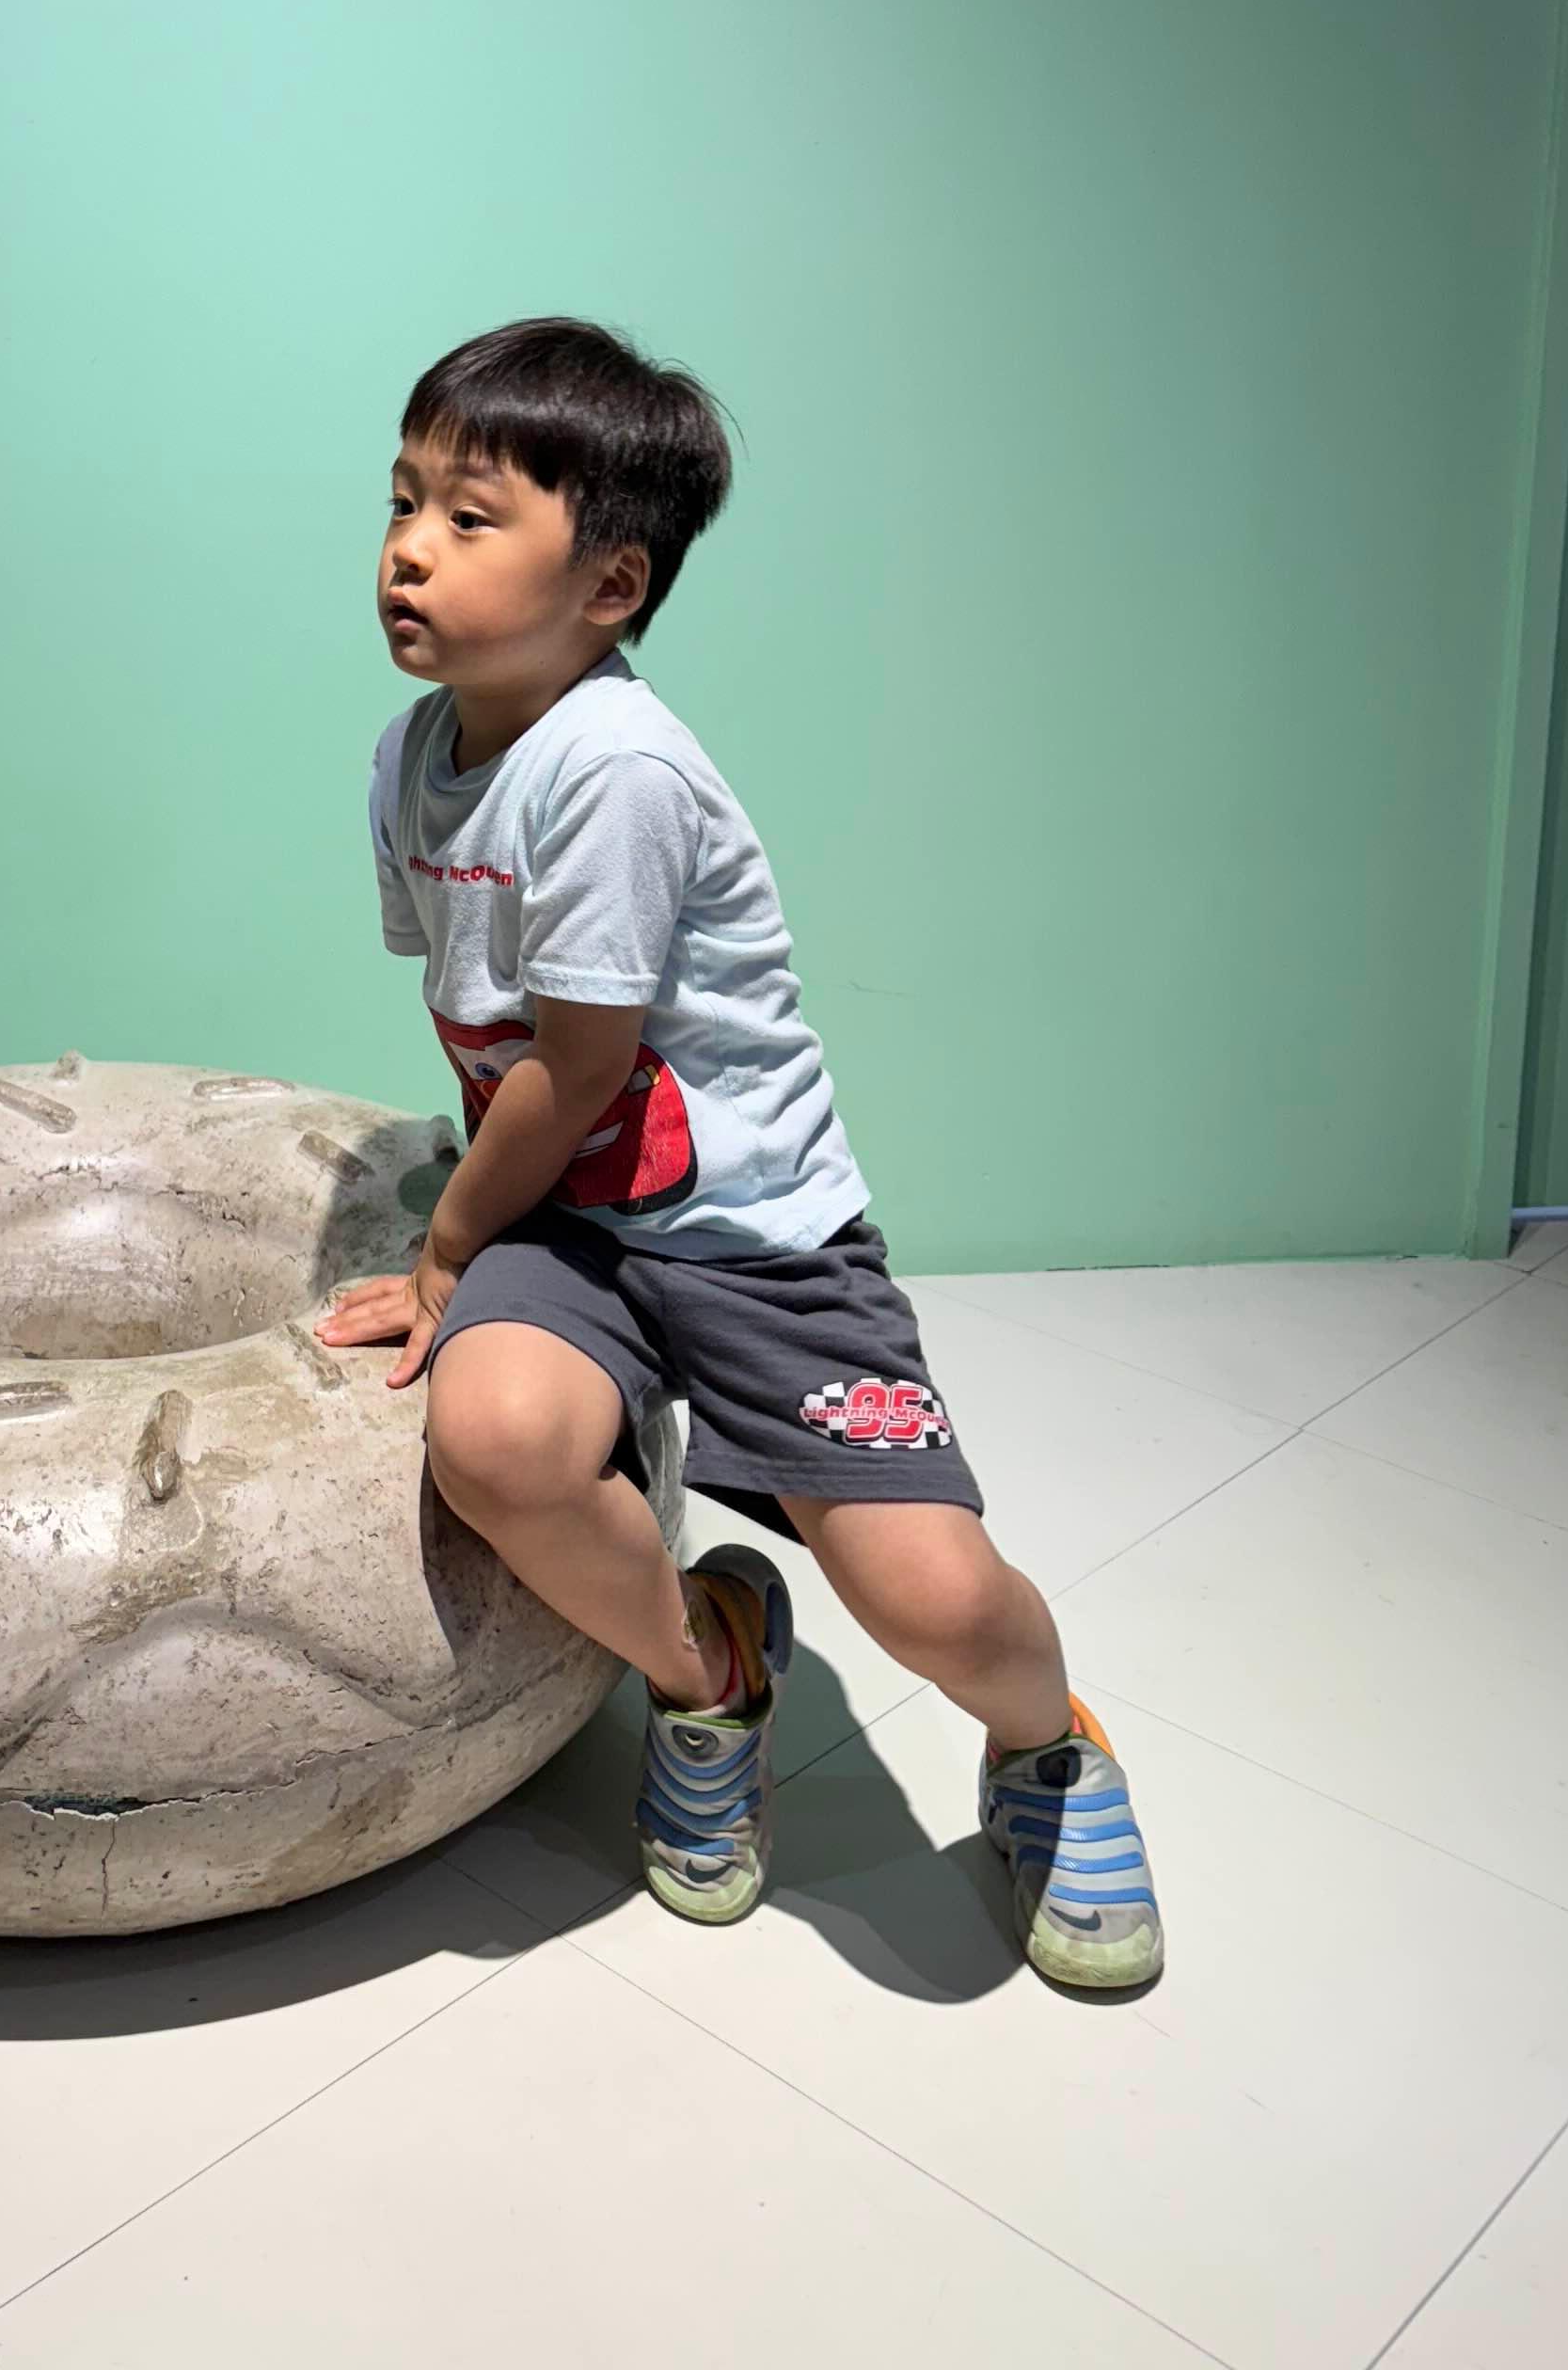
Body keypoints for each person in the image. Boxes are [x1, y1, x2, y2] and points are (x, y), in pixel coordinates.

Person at [316, 314, 1162, 1991]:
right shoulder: (412, 758)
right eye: (403, 501)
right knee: (496, 1441)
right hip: (579, 1226)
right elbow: (482, 1031)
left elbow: (576, 1068)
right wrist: (497, 1245)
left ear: (611, 584)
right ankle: (709, 1672)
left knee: (932, 1602)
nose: (409, 548)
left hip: (760, 1242)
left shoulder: (615, 772)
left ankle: (1048, 1746)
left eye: (471, 518)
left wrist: (443, 1249)